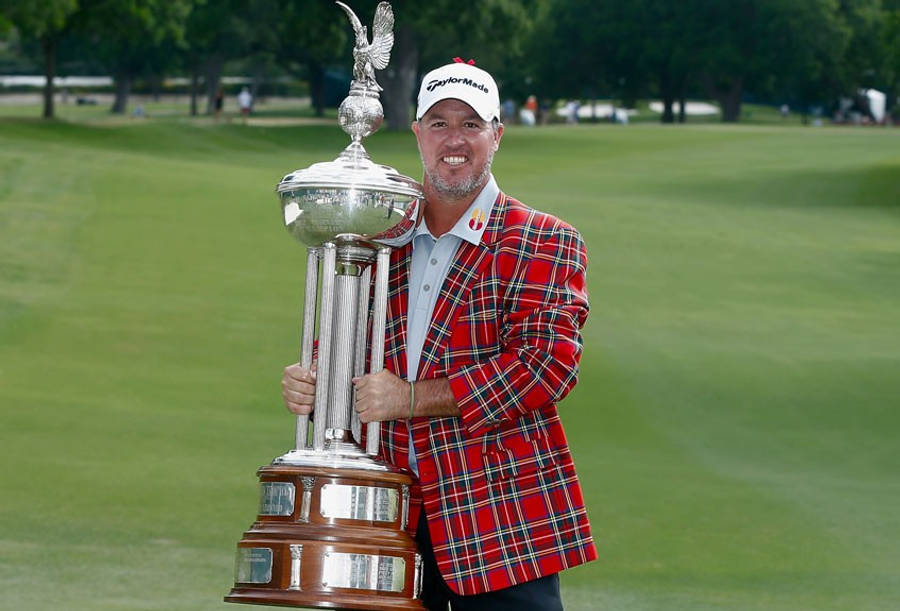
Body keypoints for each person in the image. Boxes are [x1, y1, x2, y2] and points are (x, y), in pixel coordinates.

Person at [282, 58, 596, 610]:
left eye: (471, 124)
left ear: (497, 134)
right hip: (386, 512)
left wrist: (409, 399)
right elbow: (341, 349)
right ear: (418, 133)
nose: (455, 140)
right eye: (439, 123)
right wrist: (315, 382)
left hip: (498, 515)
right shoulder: (379, 237)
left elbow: (545, 366)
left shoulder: (544, 240)